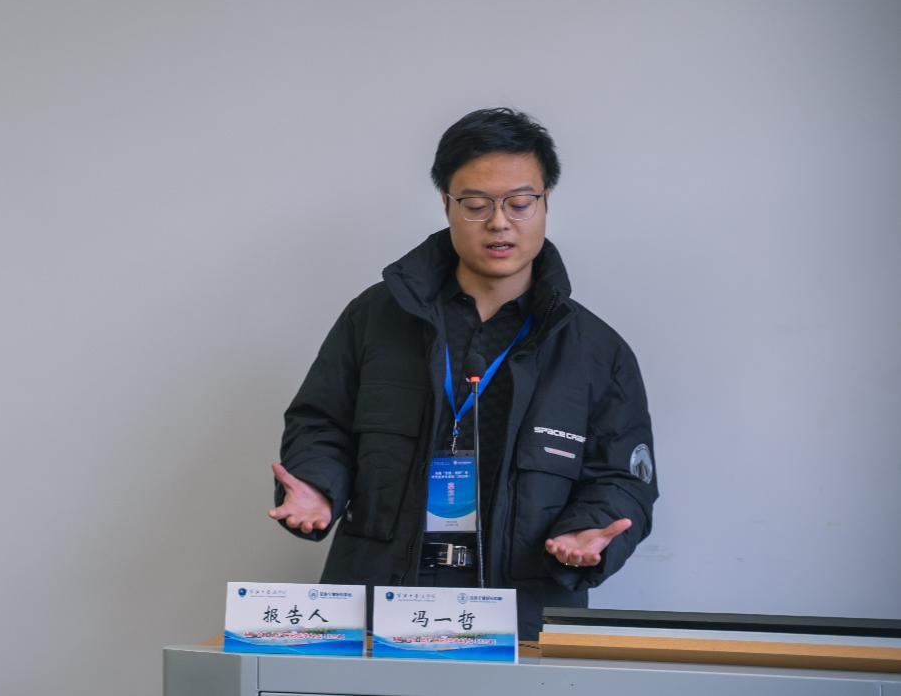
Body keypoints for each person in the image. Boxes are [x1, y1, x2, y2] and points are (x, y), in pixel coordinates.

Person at [269, 107, 657, 640]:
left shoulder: (597, 351)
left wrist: (587, 531)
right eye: (476, 205)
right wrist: (319, 487)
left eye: (519, 203)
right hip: (378, 604)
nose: (499, 222)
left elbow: (621, 477)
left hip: (520, 616)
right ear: (446, 204)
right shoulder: (375, 318)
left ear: (545, 202)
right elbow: (320, 422)